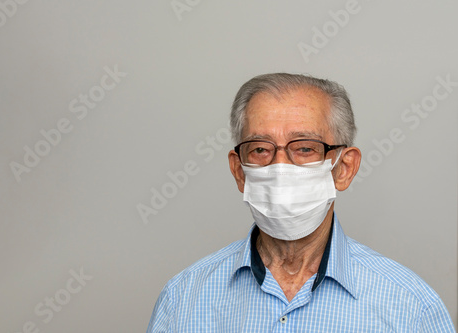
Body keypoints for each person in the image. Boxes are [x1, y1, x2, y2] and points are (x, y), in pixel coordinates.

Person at [147, 73, 455, 332]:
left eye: (305, 148)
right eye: (260, 149)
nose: (281, 166)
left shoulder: (410, 308)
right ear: (239, 171)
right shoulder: (183, 300)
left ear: (344, 169)